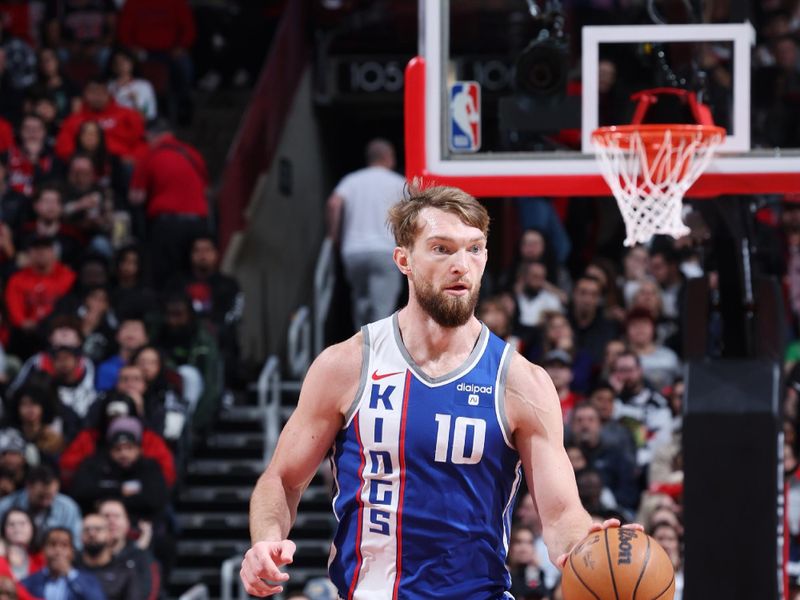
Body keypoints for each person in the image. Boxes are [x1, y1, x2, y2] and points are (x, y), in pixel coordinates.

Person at [240, 186, 638, 597]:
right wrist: (265, 540)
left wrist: (585, 547)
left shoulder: (521, 381)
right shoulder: (346, 365)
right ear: (403, 260)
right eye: (442, 249)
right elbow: (283, 479)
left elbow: (559, 514)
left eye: (474, 249)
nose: (461, 265)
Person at [326, 138, 406, 328]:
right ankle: (376, 352)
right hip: (385, 251)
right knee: (382, 308)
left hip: (353, 251)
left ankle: (362, 349)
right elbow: (418, 206)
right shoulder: (398, 182)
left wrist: (334, 237)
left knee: (361, 303)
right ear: (388, 158)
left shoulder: (351, 180)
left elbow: (333, 203)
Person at [128, 120, 209, 287]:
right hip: (199, 224)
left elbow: (136, 197)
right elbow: (205, 187)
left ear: (151, 135)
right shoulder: (193, 154)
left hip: (168, 226)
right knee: (193, 276)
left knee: (166, 277)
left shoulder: (150, 156)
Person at [0, 465, 82, 550]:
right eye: (41, 496)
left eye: (50, 496)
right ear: (29, 487)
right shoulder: (5, 506)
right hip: (13, 555)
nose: (45, 501)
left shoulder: (68, 508)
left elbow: (77, 544)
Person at [20, 527, 105, 600]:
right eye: (52, 545)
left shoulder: (89, 581)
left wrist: (69, 574)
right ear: (43, 550)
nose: (58, 551)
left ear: (72, 552)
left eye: (64, 545)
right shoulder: (29, 582)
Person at [77, 512, 141, 600]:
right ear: (80, 536)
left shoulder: (124, 571)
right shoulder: (71, 569)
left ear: (109, 535)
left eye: (97, 529)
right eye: (86, 530)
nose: (91, 534)